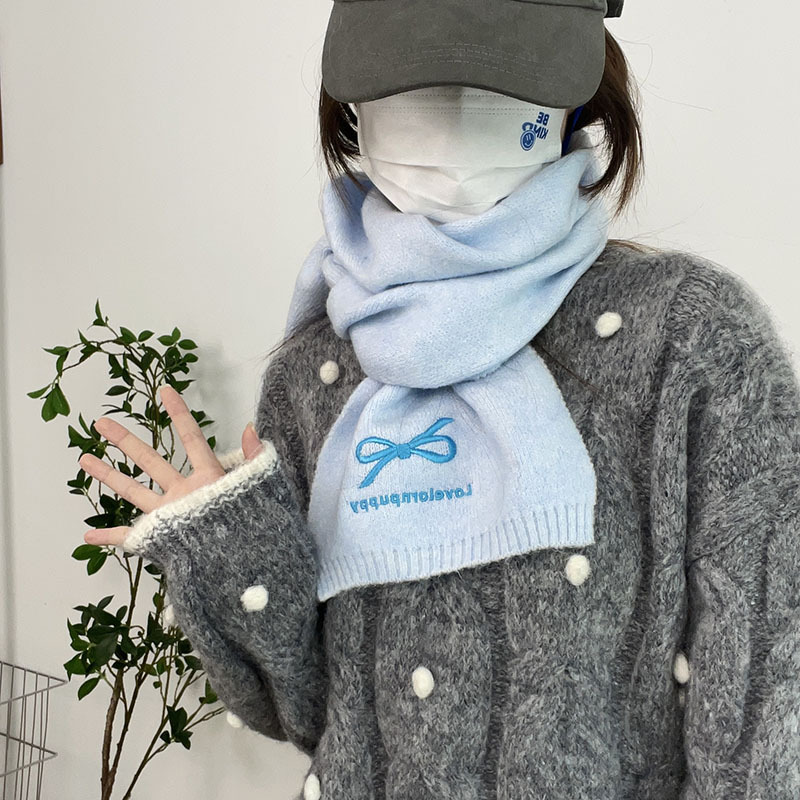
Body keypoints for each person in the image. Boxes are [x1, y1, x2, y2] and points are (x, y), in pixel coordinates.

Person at [79, 0, 800, 797]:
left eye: (499, 83)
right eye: (413, 86)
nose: (453, 120)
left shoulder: (692, 344)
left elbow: (768, 716)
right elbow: (315, 716)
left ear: (581, 102)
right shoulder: (317, 369)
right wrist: (232, 553)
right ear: (352, 112)